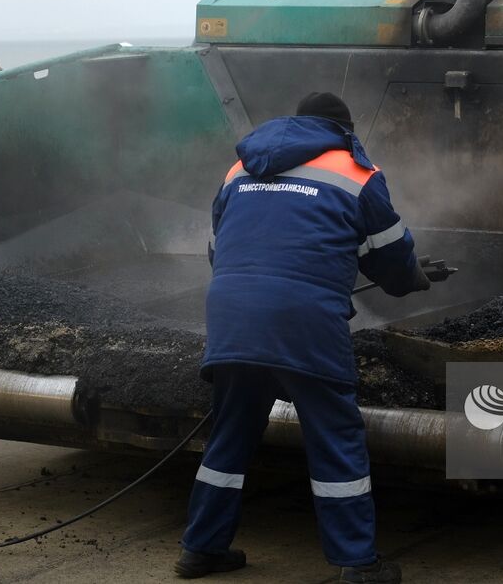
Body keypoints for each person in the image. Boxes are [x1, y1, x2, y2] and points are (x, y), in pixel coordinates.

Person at [176, 92, 429, 582]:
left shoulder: (240, 168)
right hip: (302, 320)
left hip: (229, 312)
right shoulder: (357, 171)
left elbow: (224, 243)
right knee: (335, 435)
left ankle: (201, 549)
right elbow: (395, 266)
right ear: (346, 129)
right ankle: (357, 564)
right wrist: (413, 277)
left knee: (231, 431)